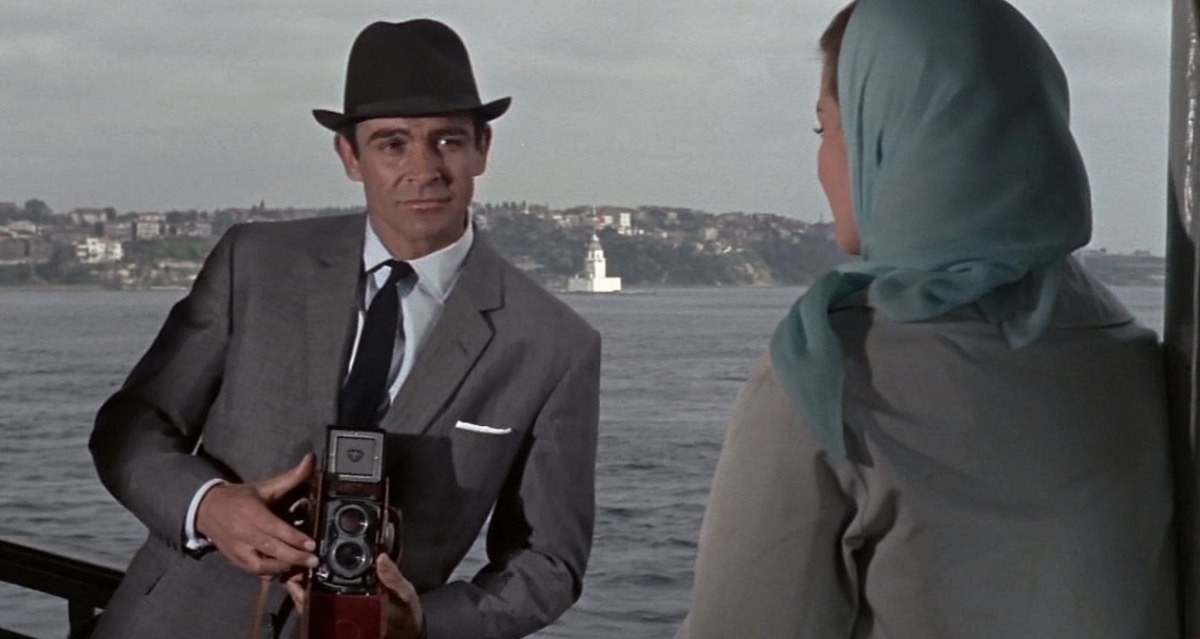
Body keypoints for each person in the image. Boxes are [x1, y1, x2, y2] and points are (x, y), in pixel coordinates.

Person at [676, 0, 1178, 636]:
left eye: (826, 129)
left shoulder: (831, 373)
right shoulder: (1132, 355)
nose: (822, 161)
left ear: (890, 134)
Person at [88, 18, 601, 639]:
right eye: (392, 144)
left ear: (481, 149)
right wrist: (208, 505)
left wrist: (422, 622)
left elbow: (548, 563)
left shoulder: (554, 345)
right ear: (350, 156)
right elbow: (131, 426)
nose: (423, 169)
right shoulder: (255, 263)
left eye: (447, 140)